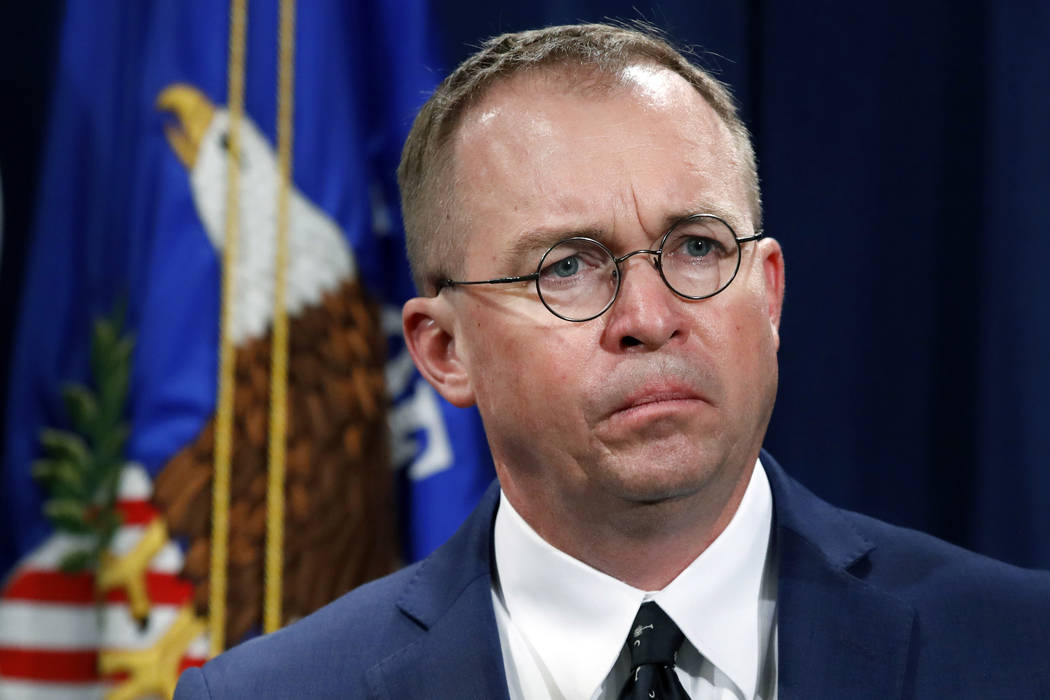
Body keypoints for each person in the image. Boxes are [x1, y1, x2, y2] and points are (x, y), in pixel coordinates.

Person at [175, 23, 1050, 699]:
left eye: (698, 248)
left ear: (770, 293)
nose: (649, 317)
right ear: (445, 352)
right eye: (567, 267)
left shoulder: (1019, 653)